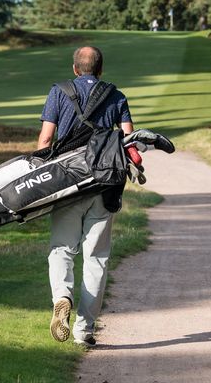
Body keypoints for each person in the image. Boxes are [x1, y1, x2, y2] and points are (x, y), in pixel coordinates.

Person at [36, 45, 134, 347]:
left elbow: (46, 139)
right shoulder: (116, 95)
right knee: (97, 258)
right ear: (100, 69)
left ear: (75, 68)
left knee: (62, 249)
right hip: (103, 186)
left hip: (66, 183)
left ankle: (62, 297)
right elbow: (130, 140)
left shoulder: (58, 92)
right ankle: (84, 329)